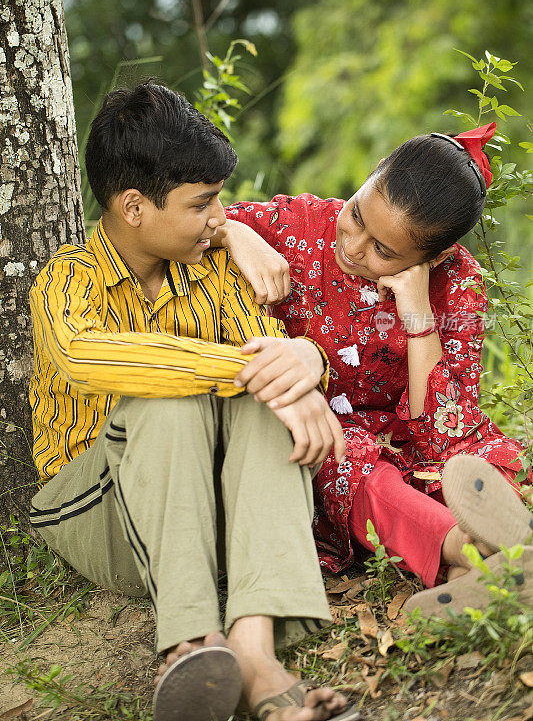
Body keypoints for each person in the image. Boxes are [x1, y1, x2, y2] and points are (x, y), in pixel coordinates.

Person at [28, 83, 362, 721]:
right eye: (203, 204)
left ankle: (255, 653)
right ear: (134, 206)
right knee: (175, 396)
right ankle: (189, 642)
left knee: (259, 390)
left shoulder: (214, 269)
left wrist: (299, 369)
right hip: (101, 509)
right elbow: (84, 356)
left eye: (221, 203)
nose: (220, 218)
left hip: (207, 509)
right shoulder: (67, 278)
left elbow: (266, 368)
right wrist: (250, 368)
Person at [217, 123, 533, 615]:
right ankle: (470, 558)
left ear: (436, 257)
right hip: (320, 433)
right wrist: (236, 231)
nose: (354, 245)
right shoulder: (294, 225)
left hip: (411, 440)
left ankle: (476, 575)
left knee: (478, 459)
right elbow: (193, 216)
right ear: (365, 180)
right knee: (354, 464)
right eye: (357, 213)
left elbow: (444, 433)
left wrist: (420, 322)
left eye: (384, 251)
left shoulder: (459, 284)